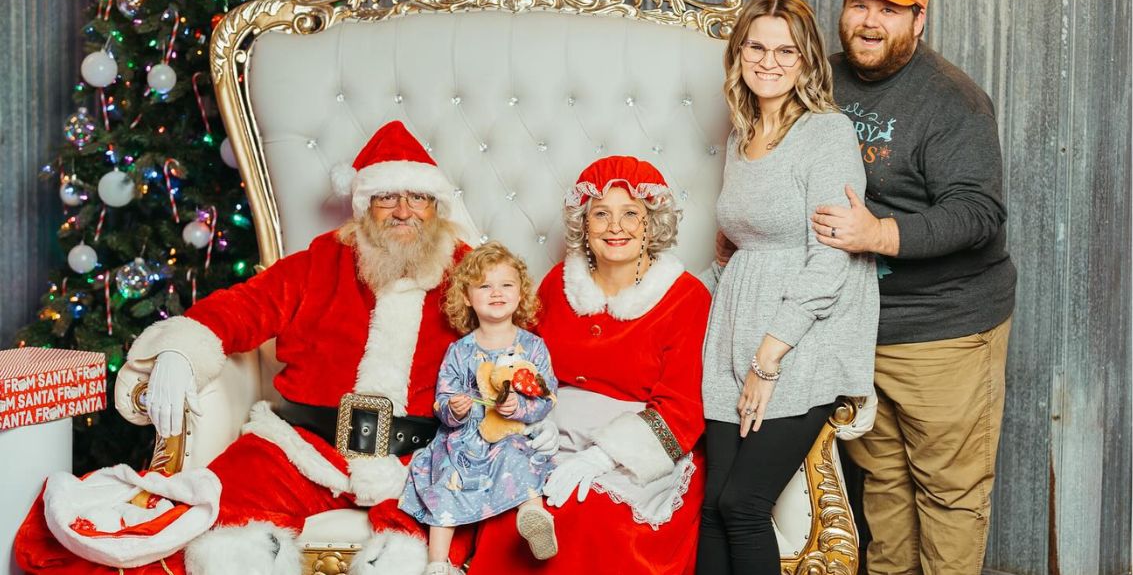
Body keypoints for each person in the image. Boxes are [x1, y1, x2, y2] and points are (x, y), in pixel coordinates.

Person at [13, 121, 556, 575]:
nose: (403, 211)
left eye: (417, 197)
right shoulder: (318, 263)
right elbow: (239, 310)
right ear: (365, 205)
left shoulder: (469, 271)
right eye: (387, 196)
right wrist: (179, 352)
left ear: (434, 206)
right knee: (208, 531)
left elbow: (515, 343)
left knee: (419, 549)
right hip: (301, 446)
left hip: (420, 458)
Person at [810, 0, 1016, 575]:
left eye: (889, 10)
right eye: (859, 6)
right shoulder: (822, 80)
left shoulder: (952, 99)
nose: (869, 22)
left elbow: (979, 212)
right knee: (885, 489)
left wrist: (880, 233)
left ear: (918, 20)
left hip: (944, 329)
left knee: (950, 494)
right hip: (859, 325)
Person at [696, 0, 879, 575]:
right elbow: (742, 245)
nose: (769, 61)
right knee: (713, 508)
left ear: (807, 61)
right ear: (739, 51)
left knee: (743, 504)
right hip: (732, 331)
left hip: (799, 339)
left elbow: (830, 257)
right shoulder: (742, 131)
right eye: (756, 46)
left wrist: (769, 357)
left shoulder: (825, 133)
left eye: (786, 50)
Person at [467, 156, 711, 574]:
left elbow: (683, 409)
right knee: (511, 510)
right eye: (602, 214)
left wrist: (600, 458)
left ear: (652, 222)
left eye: (631, 213)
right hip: (551, 435)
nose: (616, 227)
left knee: (590, 512)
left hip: (633, 451)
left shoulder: (686, 297)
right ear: (585, 223)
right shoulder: (557, 283)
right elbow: (523, 364)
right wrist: (532, 417)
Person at [399, 242, 560, 575]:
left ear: (520, 294)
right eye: (485, 286)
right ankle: (437, 563)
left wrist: (520, 407)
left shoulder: (532, 346)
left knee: (518, 458)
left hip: (509, 434)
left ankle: (534, 516)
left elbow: (547, 397)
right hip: (464, 438)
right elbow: (442, 400)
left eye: (506, 285)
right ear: (468, 297)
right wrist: (454, 409)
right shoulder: (459, 351)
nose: (496, 292)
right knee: (446, 476)